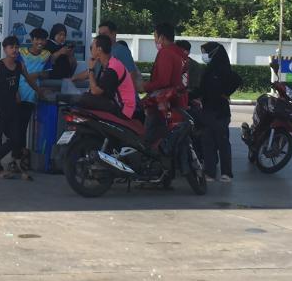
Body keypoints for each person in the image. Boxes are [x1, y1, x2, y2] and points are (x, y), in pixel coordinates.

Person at [0, 35, 41, 176]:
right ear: (5, 49)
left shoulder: (20, 65)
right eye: (11, 47)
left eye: (17, 47)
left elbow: (29, 80)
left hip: (13, 107)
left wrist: (40, 91)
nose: (15, 50)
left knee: (16, 138)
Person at [141, 22, 188, 155]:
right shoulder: (181, 53)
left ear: (161, 37)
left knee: (151, 139)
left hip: (163, 105)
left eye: (155, 37)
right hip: (180, 104)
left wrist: (144, 86)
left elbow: (163, 81)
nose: (155, 40)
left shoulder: (165, 53)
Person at [199, 42, 241, 182]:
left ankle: (226, 173)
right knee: (208, 142)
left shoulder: (223, 70)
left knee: (222, 143)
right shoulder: (208, 70)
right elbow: (201, 90)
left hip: (220, 112)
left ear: (213, 53)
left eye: (205, 52)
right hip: (208, 110)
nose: (204, 55)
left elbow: (237, 80)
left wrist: (226, 93)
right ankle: (210, 172)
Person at [77, 34, 137, 118]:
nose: (90, 50)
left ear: (99, 49)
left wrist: (91, 69)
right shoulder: (107, 64)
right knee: (86, 97)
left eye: (92, 47)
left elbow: (95, 91)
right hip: (115, 103)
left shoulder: (113, 68)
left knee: (84, 98)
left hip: (123, 109)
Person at [15, 28, 52, 159]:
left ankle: (19, 157)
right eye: (37, 39)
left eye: (43, 39)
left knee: (22, 126)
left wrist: (37, 74)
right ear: (31, 40)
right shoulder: (21, 52)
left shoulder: (47, 55)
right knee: (15, 127)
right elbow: (14, 71)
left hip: (32, 95)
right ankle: (18, 155)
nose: (40, 42)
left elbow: (48, 73)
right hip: (17, 94)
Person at [74, 20, 141, 91]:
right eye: (100, 34)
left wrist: (125, 94)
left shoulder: (121, 50)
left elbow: (132, 74)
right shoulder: (102, 52)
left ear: (114, 34)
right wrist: (73, 78)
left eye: (104, 34)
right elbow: (92, 70)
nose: (101, 37)